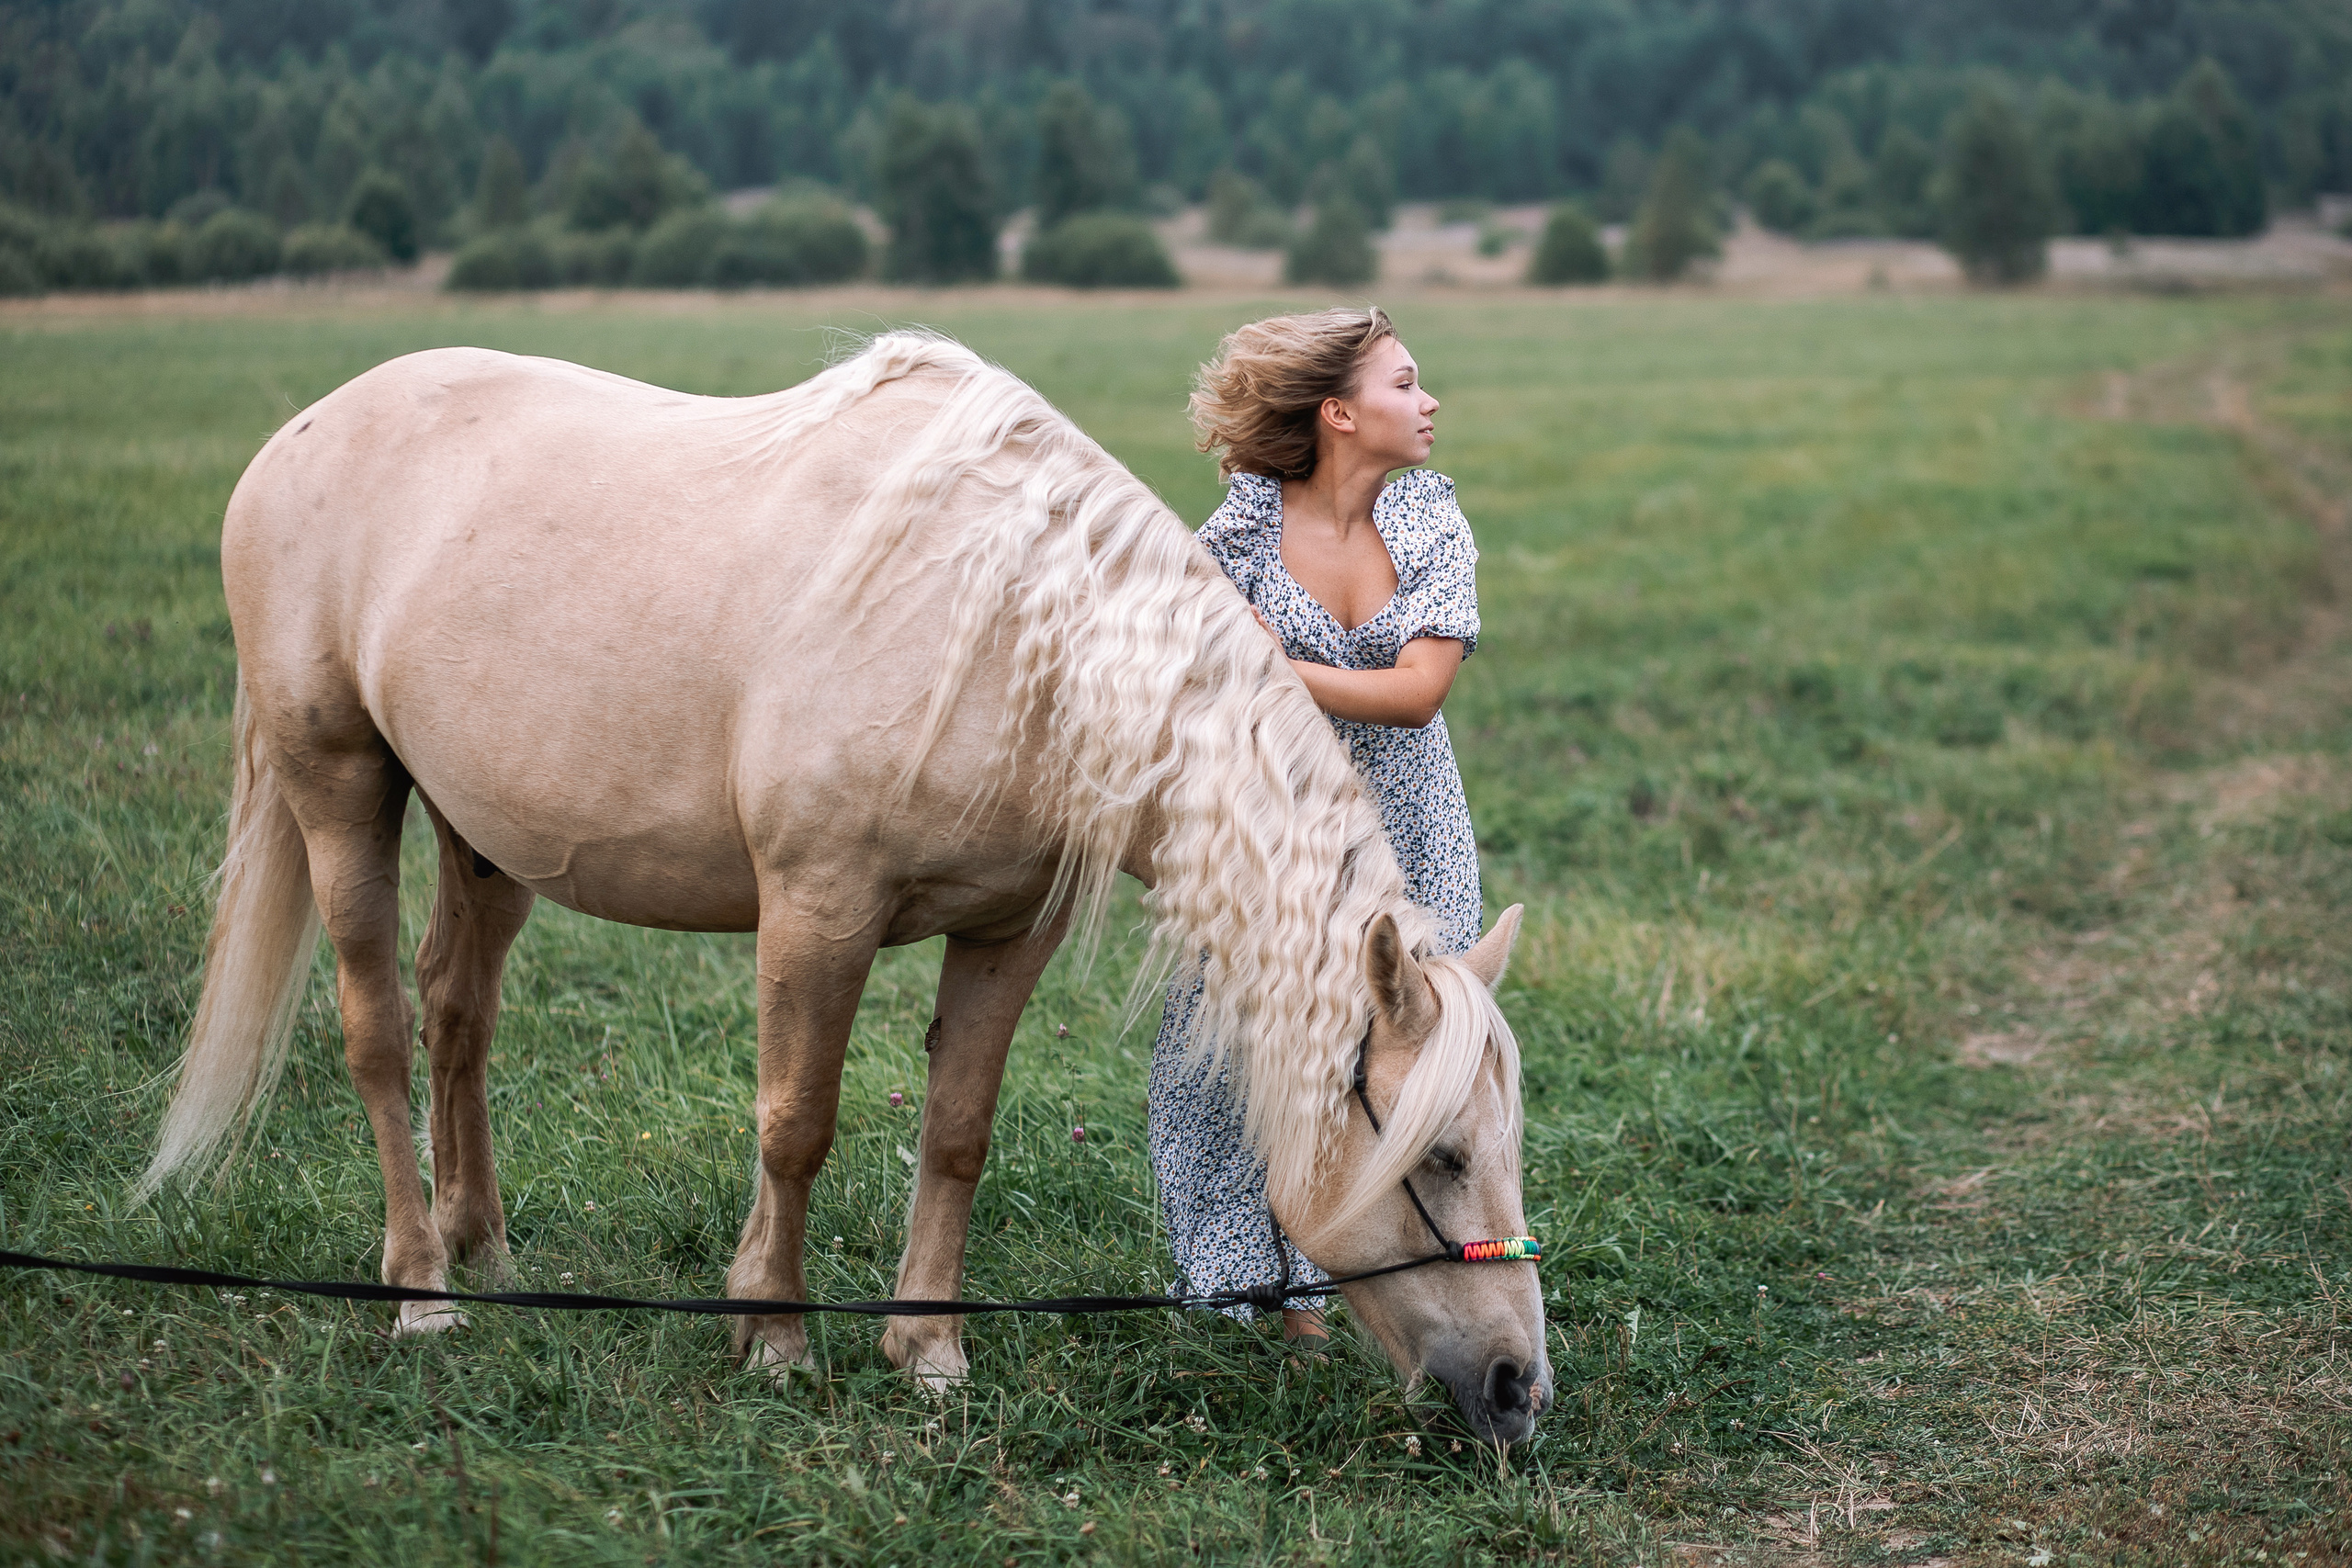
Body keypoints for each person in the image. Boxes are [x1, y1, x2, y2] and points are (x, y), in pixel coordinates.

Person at [1148, 306, 1484, 1352]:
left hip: (1413, 832)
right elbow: (1186, 672)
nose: (1427, 403)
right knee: (1246, 1064)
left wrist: (1274, 669)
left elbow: (1419, 691)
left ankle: (1393, 1268)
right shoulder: (1241, 531)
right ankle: (1269, 1299)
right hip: (1273, 838)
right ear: (1338, 412)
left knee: (1397, 1060)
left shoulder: (1428, 519)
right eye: (1403, 384)